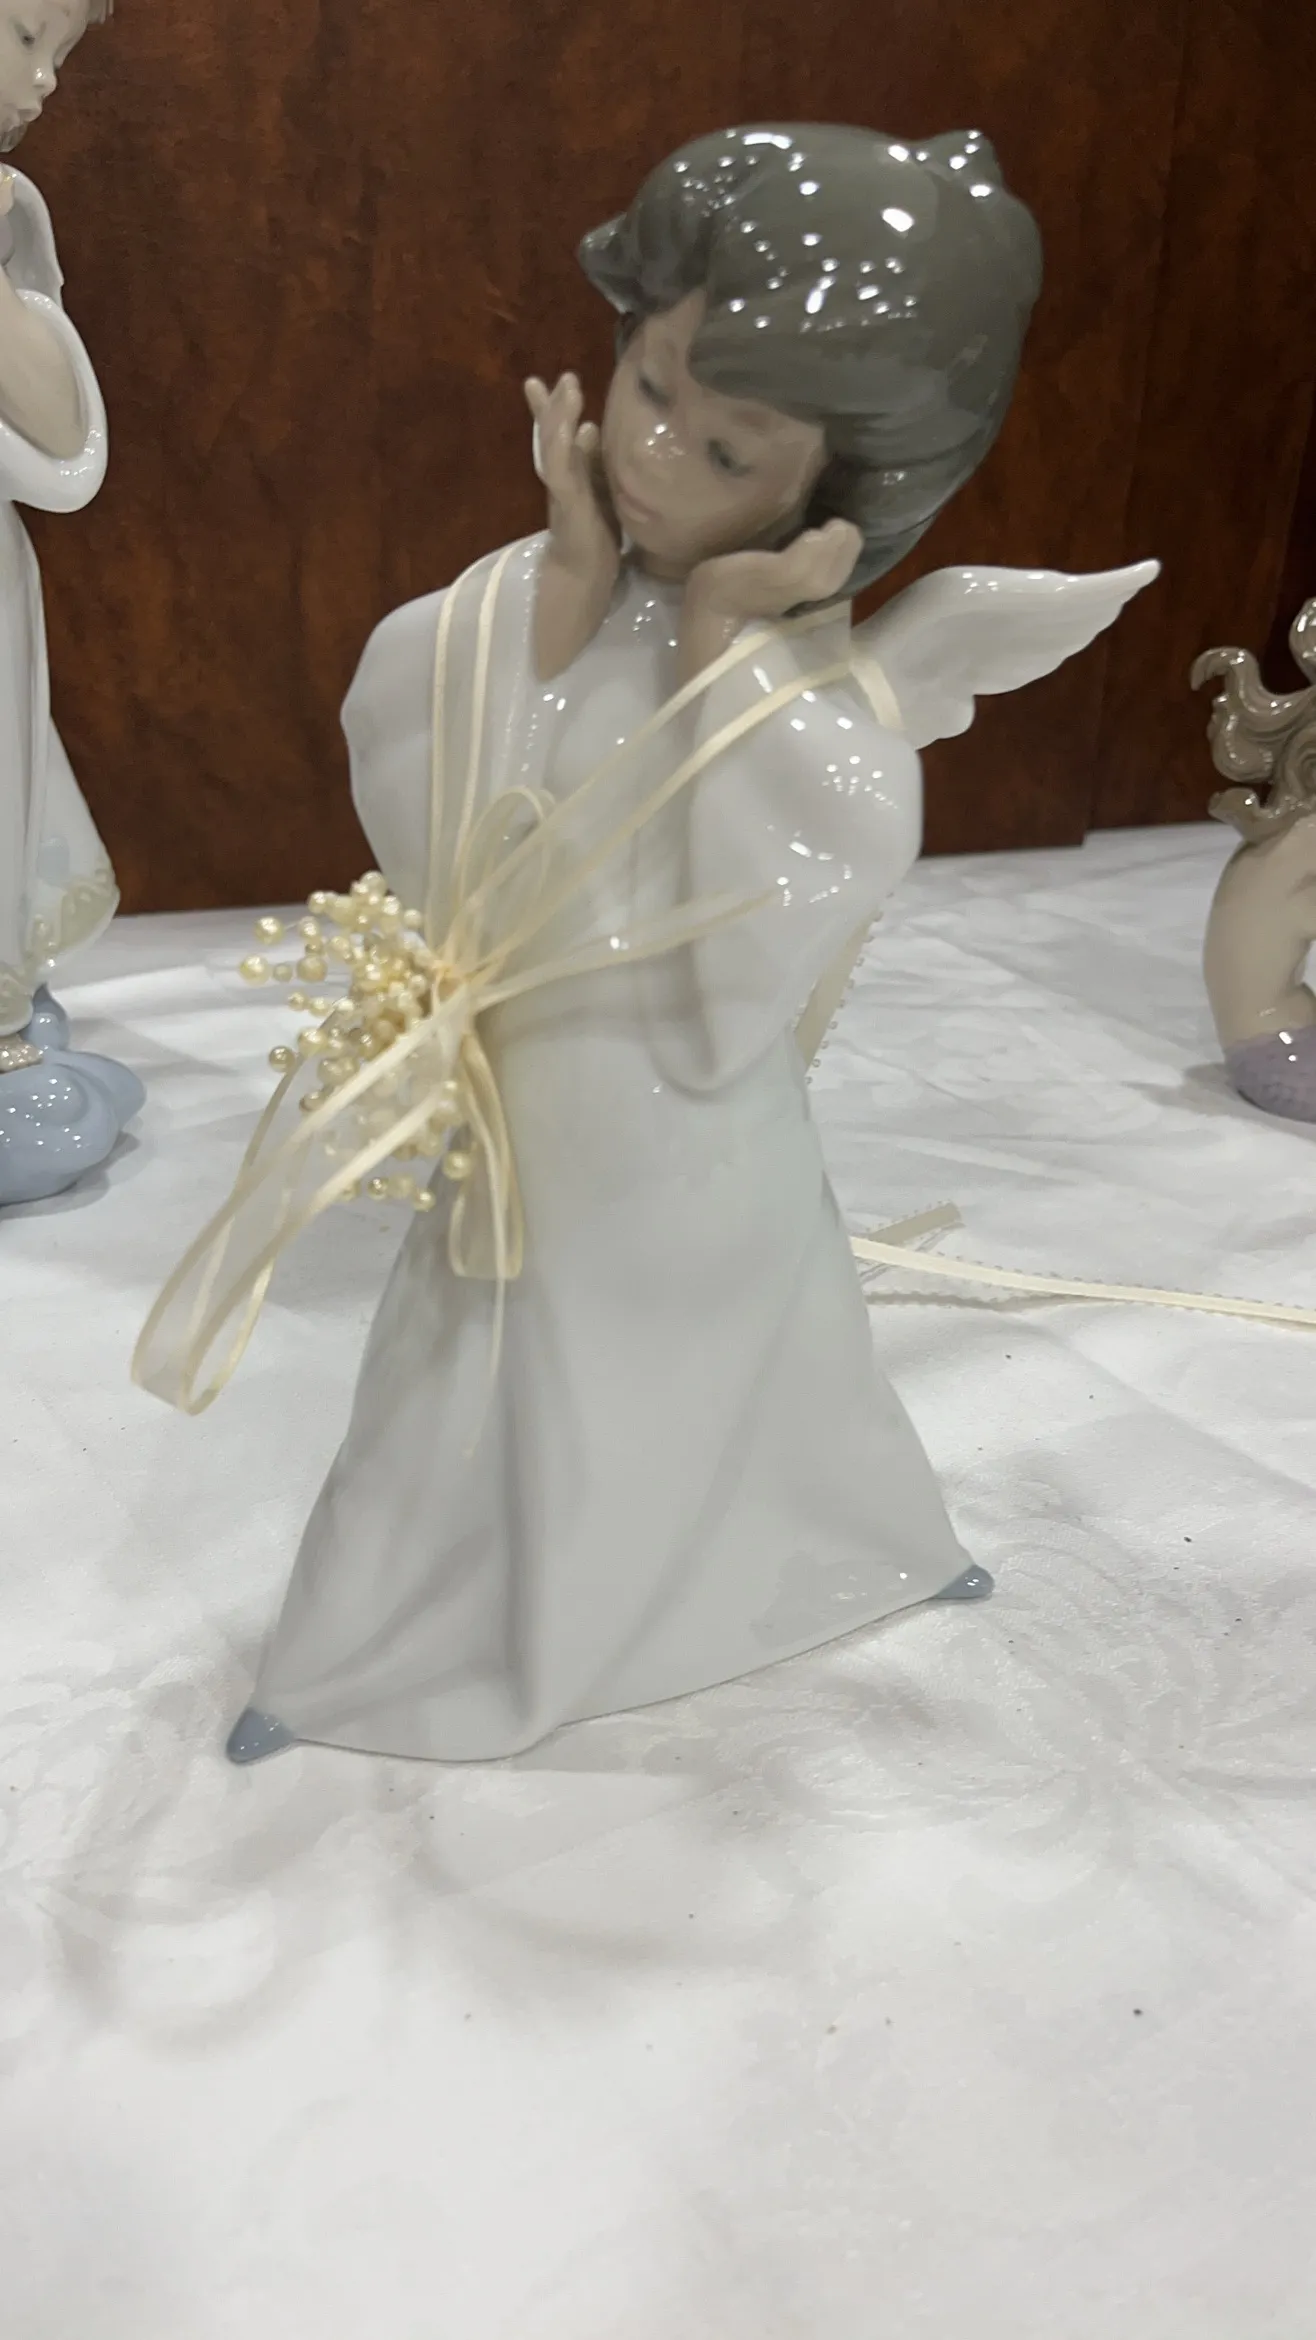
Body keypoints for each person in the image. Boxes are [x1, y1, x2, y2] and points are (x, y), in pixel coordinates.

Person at [136, 125, 1152, 1765]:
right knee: (461, 1370)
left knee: (697, 1361)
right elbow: (433, 730)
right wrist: (566, 562)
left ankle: (787, 1564)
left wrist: (721, 638)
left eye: (726, 445)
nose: (655, 452)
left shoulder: (797, 704)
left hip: (672, 1130)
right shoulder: (541, 595)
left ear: (837, 494)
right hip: (526, 1097)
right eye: (650, 385)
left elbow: (756, 937)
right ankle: (366, 1647)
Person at [0, 0, 141, 1205]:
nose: (43, 83)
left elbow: (63, 456)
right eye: (23, 37)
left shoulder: (7, 213)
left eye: (61, 54)